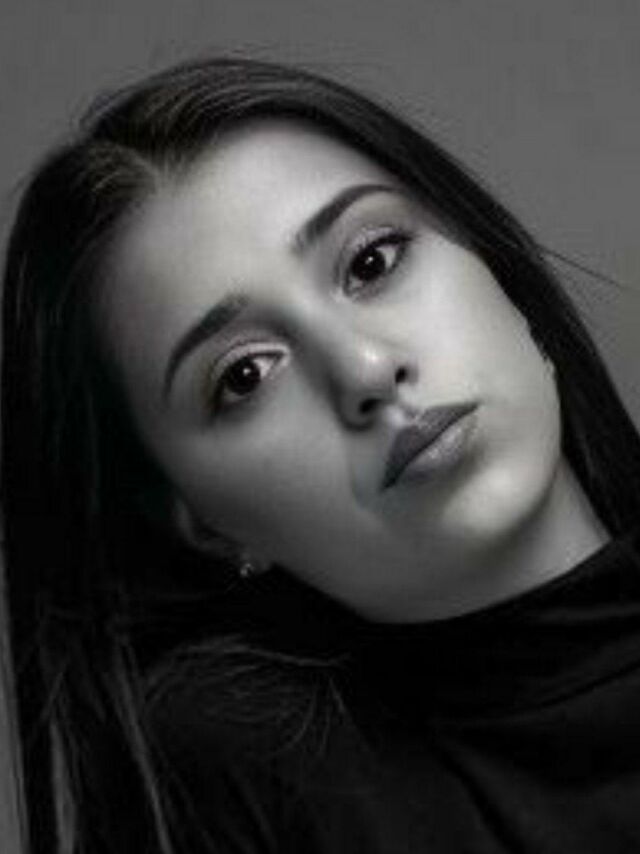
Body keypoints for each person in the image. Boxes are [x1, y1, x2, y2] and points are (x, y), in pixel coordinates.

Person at [2, 56, 640, 854]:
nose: (365, 370)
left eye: (372, 262)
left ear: (500, 275)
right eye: (245, 375)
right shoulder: (254, 780)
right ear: (206, 524)